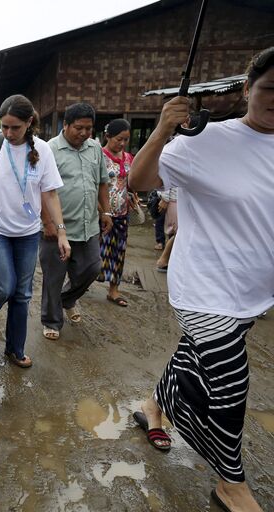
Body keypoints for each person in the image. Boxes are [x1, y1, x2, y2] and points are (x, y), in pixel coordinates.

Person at [128, 47, 274, 512]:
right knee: (230, 385)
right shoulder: (205, 141)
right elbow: (140, 181)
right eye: (270, 88)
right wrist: (163, 130)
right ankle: (231, 482)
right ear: (247, 88)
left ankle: (155, 405)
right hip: (204, 288)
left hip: (254, 291)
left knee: (194, 355)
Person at [0, 95, 70, 368]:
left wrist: (61, 232)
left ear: (29, 123)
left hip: (28, 233)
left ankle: (15, 349)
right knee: (3, 287)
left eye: (14, 127)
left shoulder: (42, 150)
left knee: (22, 293)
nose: (8, 133)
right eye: (4, 126)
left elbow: (50, 194)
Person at [40, 103, 113, 340]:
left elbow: (101, 182)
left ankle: (68, 298)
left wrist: (106, 212)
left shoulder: (95, 149)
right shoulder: (49, 149)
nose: (83, 133)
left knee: (93, 267)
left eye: (88, 129)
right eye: (78, 128)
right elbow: (41, 189)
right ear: (66, 125)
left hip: (88, 224)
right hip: (58, 226)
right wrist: (48, 222)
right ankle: (51, 320)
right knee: (54, 276)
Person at [98, 119, 138, 307]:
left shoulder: (129, 158)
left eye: (125, 140)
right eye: (119, 139)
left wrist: (132, 196)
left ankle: (114, 290)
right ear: (107, 136)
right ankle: (79, 283)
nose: (122, 144)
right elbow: (94, 185)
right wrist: (101, 210)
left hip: (122, 213)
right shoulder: (99, 156)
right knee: (94, 252)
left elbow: (130, 182)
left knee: (118, 251)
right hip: (100, 213)